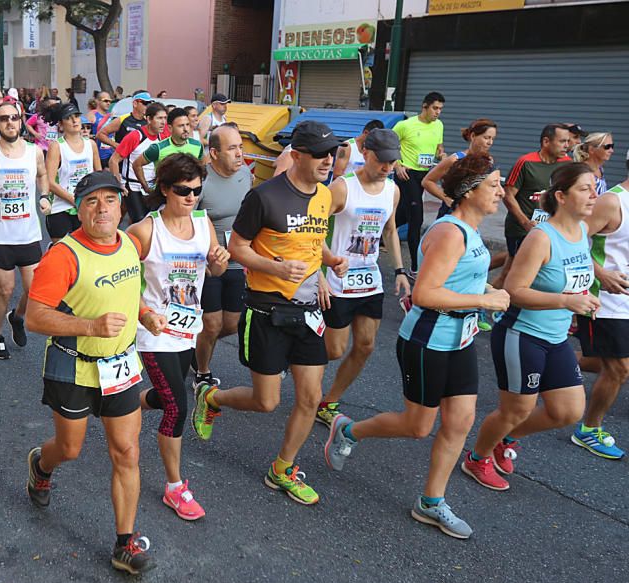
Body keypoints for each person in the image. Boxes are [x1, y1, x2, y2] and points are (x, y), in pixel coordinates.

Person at [324, 153, 510, 539]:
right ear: (469, 191)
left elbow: (457, 280)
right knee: (417, 426)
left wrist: (485, 289)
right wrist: (483, 300)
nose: (501, 191)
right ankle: (348, 431)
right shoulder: (449, 232)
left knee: (460, 421)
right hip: (428, 340)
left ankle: (431, 502)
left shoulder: (471, 230)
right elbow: (425, 293)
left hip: (460, 339)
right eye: (493, 184)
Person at [191, 121, 347, 505]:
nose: (329, 160)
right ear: (296, 156)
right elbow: (238, 248)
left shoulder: (325, 196)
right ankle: (213, 400)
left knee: (310, 398)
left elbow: (312, 241)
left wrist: (324, 270)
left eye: (333, 153)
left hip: (309, 310)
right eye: (320, 154)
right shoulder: (265, 197)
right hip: (267, 310)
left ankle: (282, 469)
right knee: (267, 402)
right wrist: (276, 268)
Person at [24, 170, 157, 575]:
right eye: (92, 201)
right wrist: (89, 326)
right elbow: (34, 317)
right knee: (70, 449)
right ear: (78, 208)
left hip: (120, 366)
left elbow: (127, 295)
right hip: (73, 367)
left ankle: (125, 545)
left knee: (127, 452)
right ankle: (40, 466)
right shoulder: (62, 255)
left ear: (121, 205)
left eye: (110, 200)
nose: (103, 209)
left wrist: (147, 315)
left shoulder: (131, 246)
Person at [462, 163, 599, 490]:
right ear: (562, 197)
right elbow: (514, 291)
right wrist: (567, 302)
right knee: (517, 409)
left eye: (595, 187)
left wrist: (596, 286)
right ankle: (477, 457)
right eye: (585, 188)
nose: (594, 195)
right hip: (522, 335)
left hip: (556, 336)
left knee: (568, 411)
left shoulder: (581, 230)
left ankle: (502, 439)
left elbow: (578, 270)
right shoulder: (541, 237)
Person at [129, 154, 230, 521]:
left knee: (164, 394)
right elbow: (121, 276)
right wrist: (145, 313)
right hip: (152, 334)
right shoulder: (144, 230)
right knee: (177, 405)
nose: (191, 197)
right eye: (182, 190)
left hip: (187, 329)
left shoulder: (204, 224)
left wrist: (219, 259)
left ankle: (130, 402)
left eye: (197, 191)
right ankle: (175, 488)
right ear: (164, 189)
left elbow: (215, 269)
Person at [317, 129, 411, 426]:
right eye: (382, 160)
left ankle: (328, 401)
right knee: (334, 350)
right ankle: (295, 350)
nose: (387, 167)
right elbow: (314, 230)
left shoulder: (392, 190)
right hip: (338, 280)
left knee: (366, 345)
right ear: (366, 153)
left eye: (392, 162)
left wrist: (399, 271)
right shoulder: (342, 187)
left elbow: (390, 230)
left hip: (369, 279)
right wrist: (324, 266)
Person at [0, 102, 50, 360]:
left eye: (15, 118)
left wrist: (44, 196)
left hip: (28, 233)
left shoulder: (34, 151)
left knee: (34, 290)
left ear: (21, 120)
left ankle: (17, 317)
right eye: (4, 119)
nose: (10, 123)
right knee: (4, 289)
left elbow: (43, 174)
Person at [570, 153, 629, 460]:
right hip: (605, 300)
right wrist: (601, 272)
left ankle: (556, 362)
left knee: (609, 363)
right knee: (620, 368)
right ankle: (589, 429)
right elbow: (576, 239)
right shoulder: (612, 202)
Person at [194, 123, 249, 386]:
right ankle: (201, 371)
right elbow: (187, 218)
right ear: (214, 153)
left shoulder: (246, 174)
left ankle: (196, 346)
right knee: (213, 325)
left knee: (231, 324)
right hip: (209, 263)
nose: (239, 153)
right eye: (232, 148)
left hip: (238, 260)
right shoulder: (200, 180)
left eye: (240, 146)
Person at [393, 92, 445, 273]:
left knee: (404, 214)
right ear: (425, 106)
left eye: (440, 109)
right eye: (435, 108)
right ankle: (415, 267)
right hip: (406, 174)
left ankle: (383, 230)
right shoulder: (405, 125)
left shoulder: (438, 125)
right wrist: (397, 165)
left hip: (424, 175)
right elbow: (389, 145)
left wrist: (442, 155)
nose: (438, 112)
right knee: (417, 218)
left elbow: (438, 147)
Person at [503, 124, 572, 258]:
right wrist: (525, 223)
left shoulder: (567, 163)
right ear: (546, 142)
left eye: (568, 141)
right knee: (520, 273)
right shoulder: (526, 162)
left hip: (552, 230)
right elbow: (508, 195)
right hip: (523, 231)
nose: (567, 146)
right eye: (562, 141)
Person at [45, 103, 101, 242]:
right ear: (61, 125)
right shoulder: (56, 147)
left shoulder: (91, 145)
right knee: (63, 252)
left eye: (76, 116)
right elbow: (50, 182)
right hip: (61, 208)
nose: (75, 121)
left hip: (86, 206)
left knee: (86, 250)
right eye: (69, 118)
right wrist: (74, 199)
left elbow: (98, 175)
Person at [423, 118, 497, 218]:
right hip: (451, 214)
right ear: (473, 136)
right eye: (487, 137)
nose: (490, 142)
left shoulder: (488, 161)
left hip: (472, 214)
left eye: (493, 138)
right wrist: (446, 198)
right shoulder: (456, 159)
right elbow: (427, 181)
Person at [108, 102, 168, 224]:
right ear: (149, 119)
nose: (163, 122)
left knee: (153, 222)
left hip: (152, 187)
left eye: (165, 118)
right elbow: (113, 160)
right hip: (133, 186)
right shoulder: (135, 136)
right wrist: (119, 184)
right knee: (140, 221)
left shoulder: (163, 137)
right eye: (159, 118)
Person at [134, 107, 203, 194]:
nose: (186, 129)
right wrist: (146, 187)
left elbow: (200, 168)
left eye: (187, 124)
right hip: (163, 197)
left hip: (189, 196)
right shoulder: (158, 148)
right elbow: (137, 165)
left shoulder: (197, 146)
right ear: (170, 128)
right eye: (181, 126)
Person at [97, 91, 152, 173]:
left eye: (149, 103)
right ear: (135, 103)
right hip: (122, 165)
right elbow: (100, 134)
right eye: (145, 103)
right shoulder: (122, 119)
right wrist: (115, 145)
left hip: (141, 166)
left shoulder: (148, 121)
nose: (147, 106)